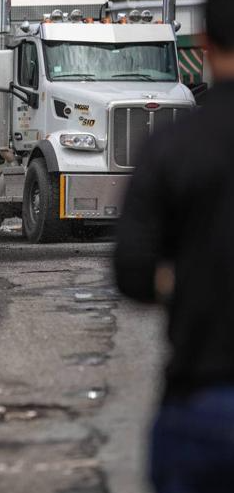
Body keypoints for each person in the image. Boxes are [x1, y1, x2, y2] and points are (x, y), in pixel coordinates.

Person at [114, 1, 234, 491]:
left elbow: (133, 274)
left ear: (202, 46)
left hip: (202, 400)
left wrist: (190, 282)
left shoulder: (171, 145)